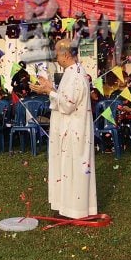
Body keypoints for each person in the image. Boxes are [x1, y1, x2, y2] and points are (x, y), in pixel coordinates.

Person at [31, 39, 97, 219]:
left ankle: (77, 210)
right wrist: (50, 88)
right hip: (69, 129)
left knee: (75, 168)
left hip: (75, 130)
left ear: (66, 54)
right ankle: (67, 207)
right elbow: (65, 97)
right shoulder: (70, 72)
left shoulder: (76, 74)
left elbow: (68, 104)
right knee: (67, 169)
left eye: (57, 54)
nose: (56, 58)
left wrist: (48, 91)